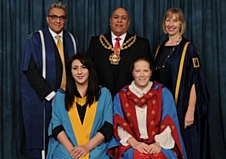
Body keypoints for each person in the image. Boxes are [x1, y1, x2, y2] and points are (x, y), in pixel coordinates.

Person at [20, 1, 80, 158]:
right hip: (42, 100)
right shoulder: (35, 39)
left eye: (61, 17)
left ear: (65, 19)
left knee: (67, 139)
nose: (58, 21)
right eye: (54, 17)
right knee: (42, 138)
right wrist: (51, 95)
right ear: (47, 18)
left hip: (67, 99)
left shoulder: (72, 40)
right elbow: (31, 71)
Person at [153, 8, 210, 159]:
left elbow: (195, 81)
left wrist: (190, 110)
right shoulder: (160, 47)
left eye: (175, 20)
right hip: (164, 105)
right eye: (168, 20)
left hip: (182, 106)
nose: (171, 24)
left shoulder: (188, 48)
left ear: (181, 24)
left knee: (184, 145)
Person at [108, 56, 187, 159]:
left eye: (145, 71)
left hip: (160, 144)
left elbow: (169, 123)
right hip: (132, 144)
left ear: (151, 72)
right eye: (138, 71)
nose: (142, 75)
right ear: (133, 73)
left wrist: (158, 144)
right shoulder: (121, 96)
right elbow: (118, 124)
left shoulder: (163, 93)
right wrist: (135, 143)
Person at [46, 53, 113, 159]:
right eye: (75, 68)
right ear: (70, 72)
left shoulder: (103, 94)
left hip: (94, 148)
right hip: (66, 148)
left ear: (90, 70)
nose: (80, 72)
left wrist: (86, 147)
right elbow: (56, 127)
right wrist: (72, 150)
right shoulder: (61, 96)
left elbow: (108, 126)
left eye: (84, 67)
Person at [88, 7, 152, 97]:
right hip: (100, 97)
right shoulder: (96, 42)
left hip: (131, 98)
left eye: (124, 18)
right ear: (110, 21)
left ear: (128, 23)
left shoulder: (141, 44)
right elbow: (89, 70)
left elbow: (148, 74)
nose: (119, 20)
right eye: (116, 17)